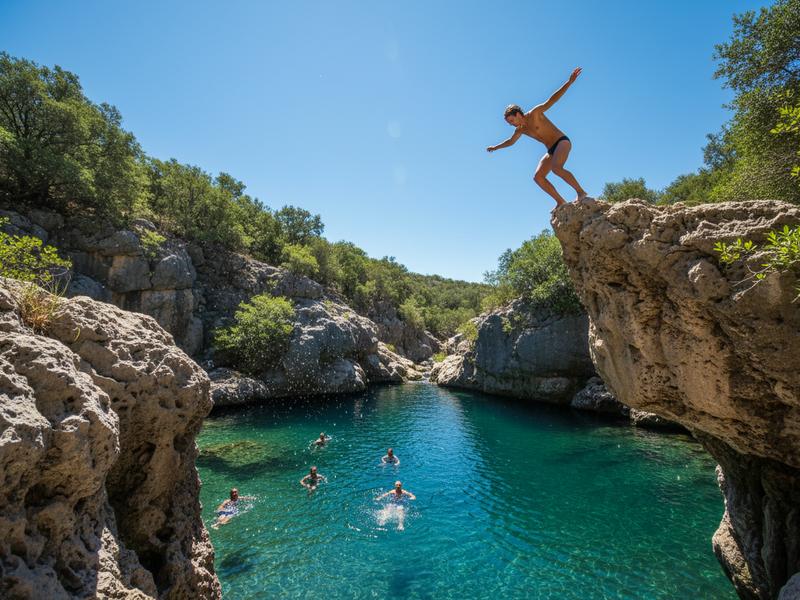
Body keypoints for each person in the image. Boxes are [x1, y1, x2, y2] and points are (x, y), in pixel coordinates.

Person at [487, 67, 588, 207]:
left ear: (518, 114)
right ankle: (560, 201)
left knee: (556, 168)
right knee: (538, 177)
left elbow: (552, 100)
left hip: (562, 141)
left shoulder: (535, 113)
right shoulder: (520, 130)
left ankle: (581, 192)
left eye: (511, 121)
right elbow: (510, 142)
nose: (511, 125)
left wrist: (569, 82)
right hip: (550, 150)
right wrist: (495, 147)